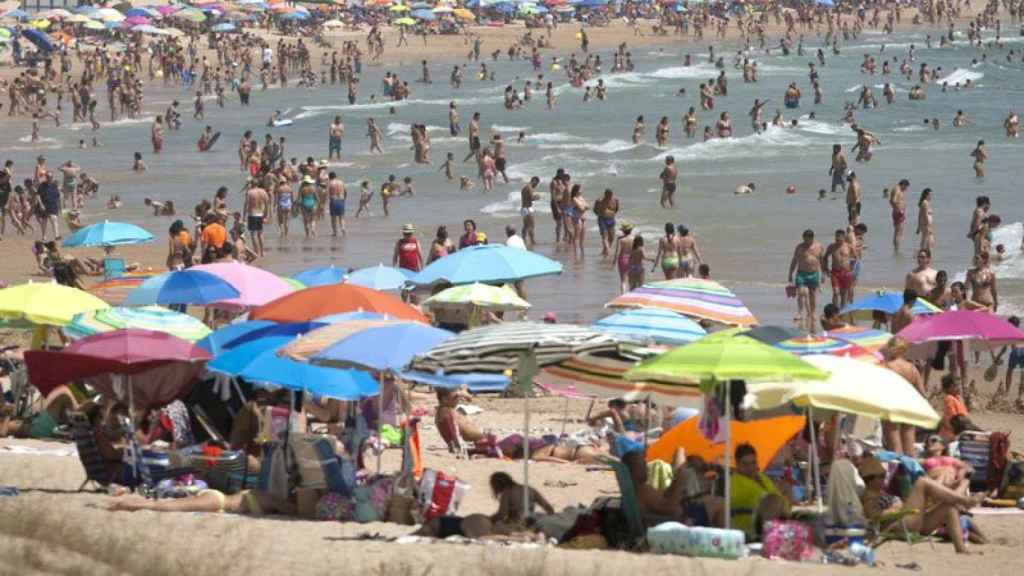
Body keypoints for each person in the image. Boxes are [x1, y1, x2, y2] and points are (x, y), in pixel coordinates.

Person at [858, 456, 980, 554]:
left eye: (883, 476)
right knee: (922, 482)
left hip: (912, 520)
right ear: (869, 479)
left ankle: (961, 549)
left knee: (948, 507)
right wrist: (895, 509)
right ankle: (964, 500)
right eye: (880, 477)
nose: (883, 479)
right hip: (900, 524)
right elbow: (873, 517)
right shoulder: (868, 496)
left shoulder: (880, 493)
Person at [730, 443, 787, 539]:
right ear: (737, 464)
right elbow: (766, 499)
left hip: (770, 520)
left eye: (753, 463)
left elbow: (779, 498)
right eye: (745, 464)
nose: (751, 467)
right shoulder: (734, 482)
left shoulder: (761, 477)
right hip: (749, 526)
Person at [882, 337, 926, 455]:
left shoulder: (886, 366)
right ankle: (910, 469)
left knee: (895, 447)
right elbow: (922, 393)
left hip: (891, 406)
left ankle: (897, 469)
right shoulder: (911, 368)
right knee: (909, 445)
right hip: (909, 406)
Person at [489, 472, 554, 529]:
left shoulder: (506, 493)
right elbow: (547, 507)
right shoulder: (529, 489)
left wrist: (490, 519)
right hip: (530, 522)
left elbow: (502, 514)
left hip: (516, 524)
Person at [788, 230, 823, 334]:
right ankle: (800, 312)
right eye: (804, 238)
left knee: (812, 295)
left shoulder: (819, 247)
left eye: (808, 239)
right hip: (801, 273)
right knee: (802, 292)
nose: (806, 241)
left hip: (814, 274)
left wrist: (823, 274)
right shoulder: (799, 247)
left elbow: (822, 261)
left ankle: (812, 313)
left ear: (812, 238)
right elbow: (794, 260)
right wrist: (790, 273)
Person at [938, 374, 980, 441]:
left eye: (959, 385)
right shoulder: (949, 399)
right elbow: (956, 421)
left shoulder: (957, 398)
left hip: (961, 430)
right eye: (956, 385)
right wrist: (978, 430)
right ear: (949, 388)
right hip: (953, 435)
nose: (959, 387)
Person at [519, 177, 540, 247]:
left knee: (525, 226)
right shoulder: (529, 188)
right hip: (527, 208)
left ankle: (524, 239)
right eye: (536, 184)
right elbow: (531, 198)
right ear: (534, 181)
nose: (536, 186)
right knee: (531, 225)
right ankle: (532, 241)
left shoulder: (525, 187)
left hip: (523, 208)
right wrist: (537, 197)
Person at [889, 178, 909, 252]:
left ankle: (896, 249)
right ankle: (897, 249)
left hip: (896, 212)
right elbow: (893, 200)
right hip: (898, 213)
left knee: (897, 231)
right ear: (903, 184)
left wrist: (896, 209)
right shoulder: (897, 189)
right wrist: (899, 210)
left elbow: (891, 201)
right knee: (899, 232)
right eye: (906, 187)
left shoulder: (896, 189)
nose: (906, 189)